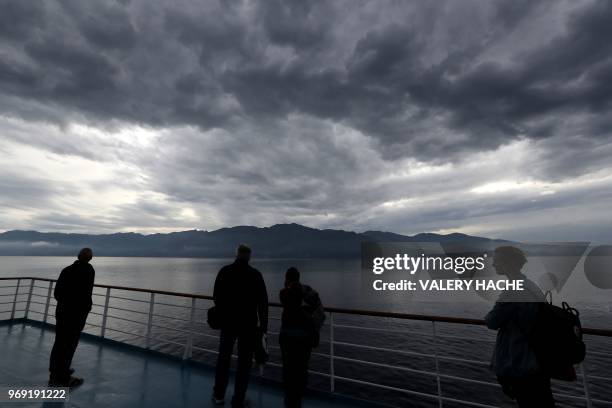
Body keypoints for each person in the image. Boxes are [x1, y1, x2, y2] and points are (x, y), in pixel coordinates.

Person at [485, 246, 554, 408]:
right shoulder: (530, 285)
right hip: (538, 358)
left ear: (508, 263)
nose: (493, 265)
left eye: (497, 261)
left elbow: (492, 321)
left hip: (521, 362)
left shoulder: (513, 290)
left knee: (529, 401)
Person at [212, 244, 268, 408]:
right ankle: (238, 399)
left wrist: (225, 311)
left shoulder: (224, 271)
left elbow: (216, 296)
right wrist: (263, 327)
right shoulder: (255, 275)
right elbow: (263, 304)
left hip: (228, 323)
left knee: (223, 359)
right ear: (249, 257)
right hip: (248, 326)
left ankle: (218, 395)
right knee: (244, 364)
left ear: (236, 254)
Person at [49, 247, 95, 387]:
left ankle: (55, 372)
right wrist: (85, 307)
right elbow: (87, 294)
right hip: (77, 316)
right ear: (90, 259)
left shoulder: (66, 270)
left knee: (60, 342)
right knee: (70, 344)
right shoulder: (89, 271)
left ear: (78, 256)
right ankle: (62, 377)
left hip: (62, 313)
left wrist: (66, 303)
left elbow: (57, 293)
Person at [279, 267, 324, 408]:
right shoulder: (309, 293)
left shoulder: (284, 293)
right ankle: (298, 396)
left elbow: (286, 296)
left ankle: (290, 399)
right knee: (302, 367)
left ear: (287, 278)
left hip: (287, 337)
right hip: (305, 337)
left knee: (288, 368)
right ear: (299, 278)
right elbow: (317, 308)